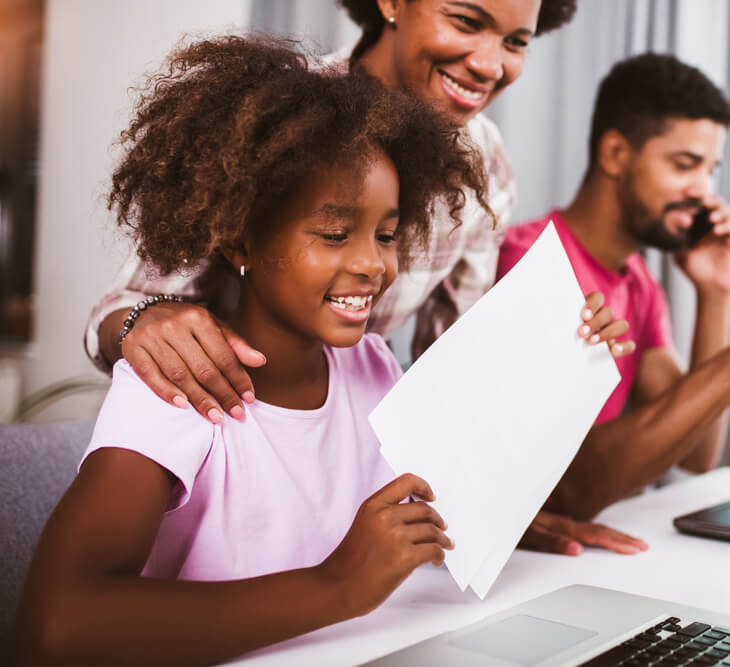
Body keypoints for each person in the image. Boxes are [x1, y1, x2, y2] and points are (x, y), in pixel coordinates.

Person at [80, 0, 647, 557]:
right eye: (466, 21)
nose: (489, 64)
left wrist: (555, 360)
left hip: (344, 463)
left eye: (515, 42)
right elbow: (122, 306)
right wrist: (140, 321)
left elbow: (450, 373)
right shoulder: (274, 115)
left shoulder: (484, 165)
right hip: (226, 443)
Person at [15, 37, 502, 664]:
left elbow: (452, 502)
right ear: (240, 241)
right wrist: (337, 586)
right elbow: (53, 627)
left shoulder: (373, 367)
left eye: (386, 234)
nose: (371, 264)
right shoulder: (177, 384)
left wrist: (570, 350)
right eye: (333, 233)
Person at [498, 53, 730, 521]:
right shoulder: (528, 262)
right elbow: (573, 487)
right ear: (615, 154)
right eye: (685, 164)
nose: (703, 189)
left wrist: (717, 293)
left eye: (710, 170)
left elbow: (696, 454)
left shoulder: (639, 285)